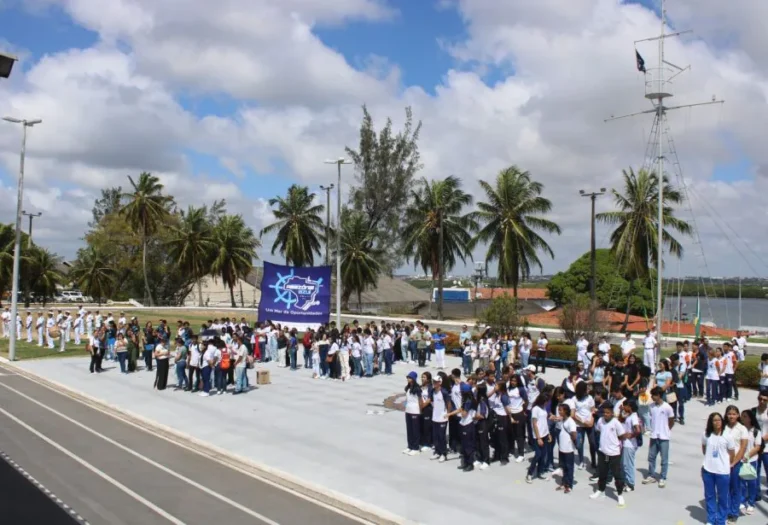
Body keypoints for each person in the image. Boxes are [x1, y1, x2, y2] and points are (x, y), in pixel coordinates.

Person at [590, 402, 629, 507]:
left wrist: (614, 442)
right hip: (603, 452)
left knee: (617, 475)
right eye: (604, 412)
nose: (605, 414)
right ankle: (600, 490)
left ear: (612, 413)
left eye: (607, 413)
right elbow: (598, 431)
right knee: (602, 473)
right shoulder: (600, 421)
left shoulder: (616, 423)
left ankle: (620, 494)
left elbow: (622, 436)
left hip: (614, 453)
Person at [702, 412, 736, 525]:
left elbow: (732, 454)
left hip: (722, 472)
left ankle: (721, 520)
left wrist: (726, 464)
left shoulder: (727, 436)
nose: (717, 422)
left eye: (719, 420)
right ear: (711, 422)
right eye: (715, 420)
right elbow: (704, 449)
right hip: (708, 470)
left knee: (722, 497)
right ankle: (711, 519)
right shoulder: (706, 434)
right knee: (709, 496)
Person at [643, 386, 674, 487]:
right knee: (651, 457)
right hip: (654, 436)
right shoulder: (651, 406)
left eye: (654, 395)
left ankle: (663, 477)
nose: (652, 397)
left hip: (664, 437)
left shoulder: (667, 407)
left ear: (659, 395)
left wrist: (666, 430)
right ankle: (651, 475)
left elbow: (671, 421)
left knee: (664, 459)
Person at [722, 405, 748, 523]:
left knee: (735, 488)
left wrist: (734, 462)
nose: (731, 416)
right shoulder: (723, 427)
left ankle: (734, 513)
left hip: (736, 463)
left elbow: (743, 447)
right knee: (725, 488)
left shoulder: (742, 429)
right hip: (723, 462)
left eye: (734, 414)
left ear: (738, 415)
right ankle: (725, 511)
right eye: (729, 414)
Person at [740, 409, 761, 516]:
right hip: (740, 460)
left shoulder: (756, 431)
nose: (743, 418)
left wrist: (747, 456)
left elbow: (757, 447)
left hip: (751, 460)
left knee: (752, 483)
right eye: (742, 416)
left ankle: (751, 503)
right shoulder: (739, 430)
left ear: (750, 418)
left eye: (745, 416)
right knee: (741, 483)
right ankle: (742, 501)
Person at [526, 392, 551, 483]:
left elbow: (545, 422)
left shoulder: (543, 408)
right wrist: (538, 438)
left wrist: (548, 433)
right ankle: (529, 473)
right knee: (538, 455)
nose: (547, 403)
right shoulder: (535, 409)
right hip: (537, 436)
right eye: (546, 401)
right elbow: (534, 424)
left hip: (545, 434)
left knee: (543, 454)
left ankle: (540, 472)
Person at [620, 399, 642, 491]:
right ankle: (626, 481)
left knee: (628, 464)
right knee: (624, 464)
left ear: (629, 407)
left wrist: (631, 435)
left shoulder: (634, 416)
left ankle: (630, 483)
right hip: (627, 443)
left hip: (630, 444)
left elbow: (637, 430)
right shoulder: (630, 415)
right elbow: (621, 419)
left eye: (624, 406)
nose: (624, 407)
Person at [430, 374, 452, 463]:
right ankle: (437, 451)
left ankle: (443, 454)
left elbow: (449, 404)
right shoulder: (432, 391)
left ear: (440, 382)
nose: (434, 383)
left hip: (442, 418)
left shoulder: (444, 392)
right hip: (435, 417)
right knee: (435, 436)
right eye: (433, 381)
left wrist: (448, 414)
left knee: (441, 436)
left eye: (436, 382)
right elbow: (432, 401)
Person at [557, 403, 577, 493]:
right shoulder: (564, 420)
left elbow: (574, 434)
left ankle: (569, 485)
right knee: (563, 467)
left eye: (560, 410)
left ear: (565, 411)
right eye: (559, 410)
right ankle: (564, 483)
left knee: (569, 467)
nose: (559, 411)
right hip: (562, 448)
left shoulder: (570, 422)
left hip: (568, 449)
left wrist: (570, 441)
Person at [403, 371, 422, 456]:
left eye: (410, 377)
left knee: (415, 430)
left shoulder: (417, 389)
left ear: (414, 379)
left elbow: (420, 401)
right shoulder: (407, 388)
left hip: (415, 411)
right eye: (407, 377)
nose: (408, 379)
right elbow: (407, 399)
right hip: (408, 411)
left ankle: (416, 448)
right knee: (409, 429)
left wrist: (420, 411)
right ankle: (410, 446)